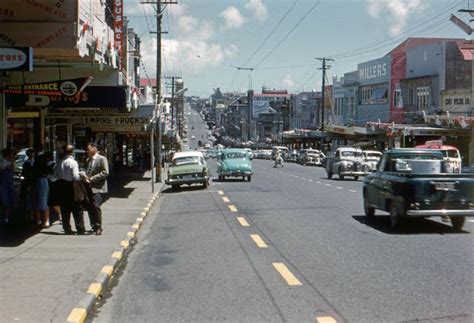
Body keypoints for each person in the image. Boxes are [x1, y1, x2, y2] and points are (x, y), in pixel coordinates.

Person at [56, 145, 86, 235]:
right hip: (72, 186)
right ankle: (80, 228)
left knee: (65, 209)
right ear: (72, 152)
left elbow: (55, 175)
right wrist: (82, 175)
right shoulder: (73, 162)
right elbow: (75, 176)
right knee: (77, 208)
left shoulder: (60, 162)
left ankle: (67, 228)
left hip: (62, 185)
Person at [82, 143, 109, 235]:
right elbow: (86, 170)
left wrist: (92, 179)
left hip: (98, 187)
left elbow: (105, 172)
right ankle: (93, 225)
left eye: (88, 149)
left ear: (94, 149)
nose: (87, 151)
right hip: (88, 187)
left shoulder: (102, 159)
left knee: (96, 206)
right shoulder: (88, 160)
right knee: (90, 207)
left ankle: (98, 227)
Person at [32, 143, 50, 227]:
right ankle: (44, 220)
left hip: (40, 179)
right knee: (41, 199)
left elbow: (36, 170)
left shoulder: (39, 157)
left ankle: (44, 220)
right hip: (42, 179)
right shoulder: (44, 157)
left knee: (41, 199)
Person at [20, 149, 35, 222]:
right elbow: (26, 175)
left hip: (32, 183)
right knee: (28, 199)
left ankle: (31, 214)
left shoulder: (33, 162)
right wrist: (29, 184)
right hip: (28, 183)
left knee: (31, 199)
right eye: (30, 154)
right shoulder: (26, 163)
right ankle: (27, 214)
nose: (32, 155)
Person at [0, 148, 15, 224]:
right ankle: (5, 216)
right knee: (5, 201)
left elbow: (13, 168)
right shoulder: (3, 162)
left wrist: (12, 161)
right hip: (3, 184)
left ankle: (7, 217)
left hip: (9, 184)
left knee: (9, 200)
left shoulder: (9, 162)